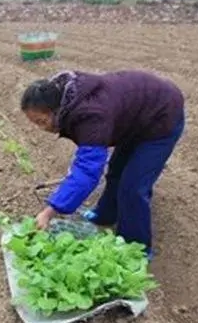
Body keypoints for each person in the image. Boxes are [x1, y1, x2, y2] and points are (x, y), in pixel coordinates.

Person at [20, 69, 185, 260]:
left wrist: (49, 211)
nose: (43, 128)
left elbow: (87, 171)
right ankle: (105, 215)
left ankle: (136, 251)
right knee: (116, 173)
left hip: (161, 117)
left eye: (42, 121)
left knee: (133, 188)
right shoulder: (67, 95)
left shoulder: (91, 116)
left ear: (56, 110)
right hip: (134, 119)